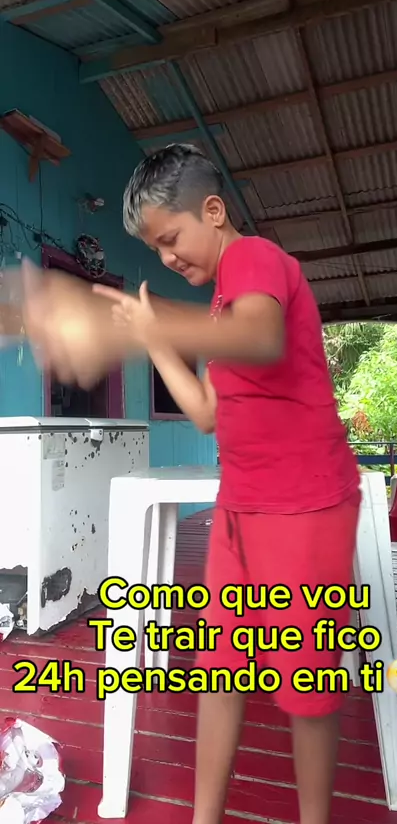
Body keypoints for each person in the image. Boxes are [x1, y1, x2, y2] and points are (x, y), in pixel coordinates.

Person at [23, 144, 361, 824]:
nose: (168, 256)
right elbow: (207, 413)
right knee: (222, 671)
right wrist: (152, 341)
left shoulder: (256, 259)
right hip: (240, 508)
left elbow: (262, 339)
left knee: (307, 687)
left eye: (170, 238)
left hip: (305, 508)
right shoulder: (218, 311)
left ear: (212, 210)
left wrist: (149, 325)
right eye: (156, 248)